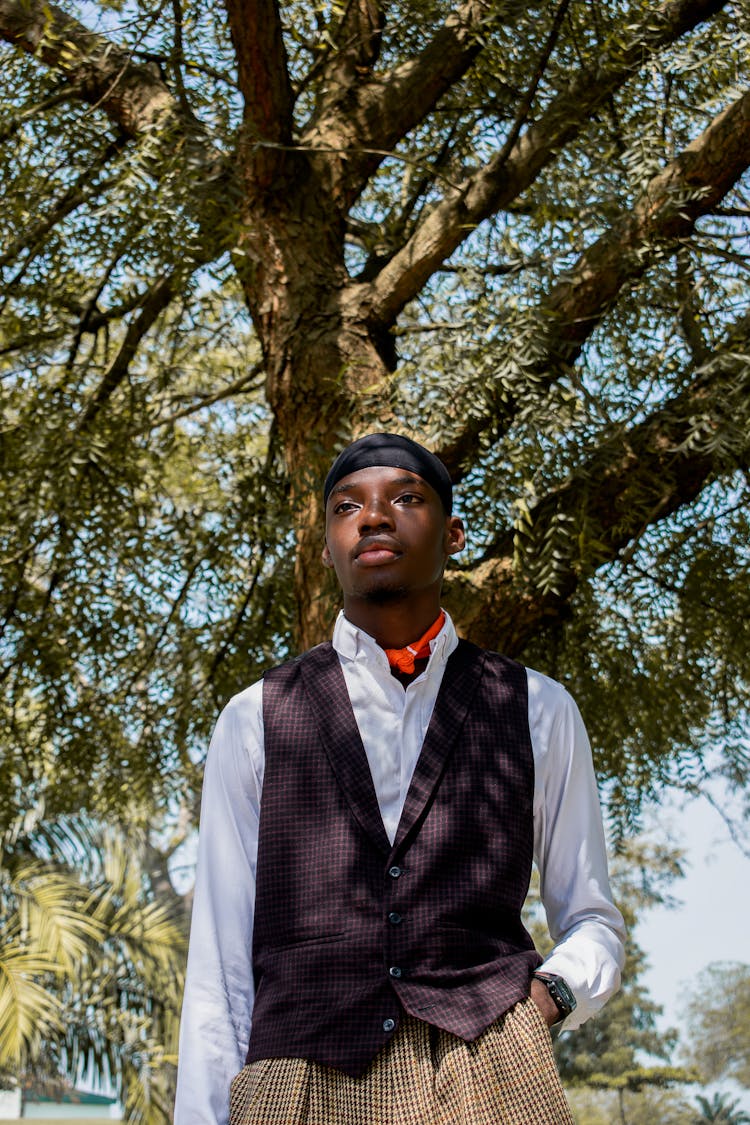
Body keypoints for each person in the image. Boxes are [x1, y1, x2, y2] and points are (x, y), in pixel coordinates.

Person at [174, 433, 625, 1125]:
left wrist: (548, 1000)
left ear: (453, 535)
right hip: (298, 1077)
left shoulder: (536, 707)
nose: (375, 516)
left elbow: (591, 917)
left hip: (490, 1070)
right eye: (347, 506)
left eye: (405, 498)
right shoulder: (254, 718)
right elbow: (220, 962)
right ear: (326, 547)